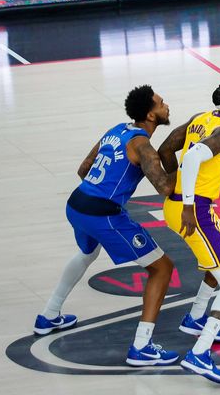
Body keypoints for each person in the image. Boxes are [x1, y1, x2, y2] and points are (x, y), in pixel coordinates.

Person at [35, 86, 179, 366]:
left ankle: (49, 314)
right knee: (162, 268)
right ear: (151, 114)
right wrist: (182, 163)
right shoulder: (142, 146)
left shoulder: (115, 130)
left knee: (87, 253)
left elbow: (83, 169)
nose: (166, 106)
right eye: (161, 103)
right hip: (103, 214)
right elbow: (164, 187)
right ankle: (142, 347)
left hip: (77, 203)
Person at [156, 83, 220, 383]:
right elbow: (196, 156)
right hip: (194, 211)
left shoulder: (201, 119)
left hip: (185, 207)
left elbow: (165, 149)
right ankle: (199, 353)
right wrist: (187, 202)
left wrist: (174, 185)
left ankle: (196, 317)